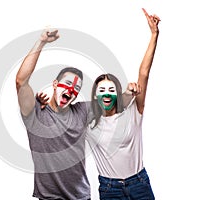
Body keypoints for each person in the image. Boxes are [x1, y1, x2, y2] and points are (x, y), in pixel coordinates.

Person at [15, 28, 136, 199]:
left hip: (81, 197)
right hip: (48, 197)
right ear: (55, 84)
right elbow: (21, 81)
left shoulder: (82, 111)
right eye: (67, 84)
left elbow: (114, 104)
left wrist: (129, 94)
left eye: (76, 89)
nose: (71, 90)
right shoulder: (35, 113)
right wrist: (41, 42)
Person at [85, 8, 160, 199]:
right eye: (101, 90)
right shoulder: (89, 124)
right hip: (110, 189)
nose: (106, 94)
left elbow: (144, 73)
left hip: (139, 184)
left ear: (118, 94)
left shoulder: (133, 111)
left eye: (111, 90)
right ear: (95, 96)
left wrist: (154, 35)